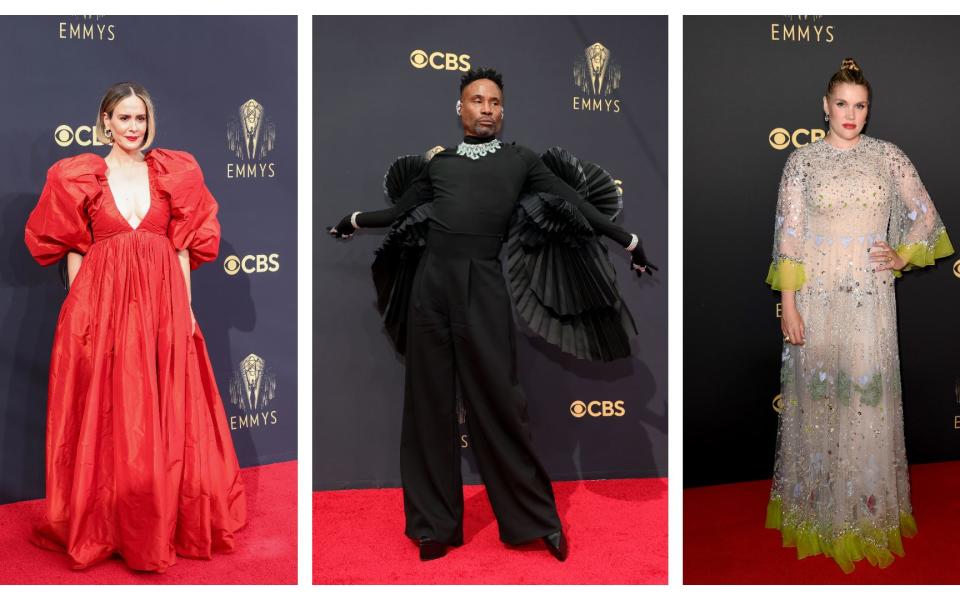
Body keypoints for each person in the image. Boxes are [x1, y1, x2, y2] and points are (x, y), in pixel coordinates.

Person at [330, 68, 655, 561]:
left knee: (502, 402)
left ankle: (533, 520)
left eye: (495, 102)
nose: (487, 108)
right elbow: (398, 213)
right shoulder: (438, 164)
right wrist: (353, 221)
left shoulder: (521, 160)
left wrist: (626, 239)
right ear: (459, 109)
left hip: (482, 285)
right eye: (477, 100)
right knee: (428, 402)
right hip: (429, 288)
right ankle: (433, 526)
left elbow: (571, 202)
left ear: (503, 112)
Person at [24, 82, 246, 572]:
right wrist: (77, 308)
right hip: (100, 307)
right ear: (105, 120)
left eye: (139, 119)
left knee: (164, 410)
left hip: (162, 304)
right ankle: (108, 522)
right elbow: (74, 248)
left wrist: (185, 311)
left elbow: (185, 246)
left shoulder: (174, 171)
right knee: (109, 413)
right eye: (123, 118)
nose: (132, 128)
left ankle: (162, 519)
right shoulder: (78, 174)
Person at [764, 58, 953, 574]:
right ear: (825, 107)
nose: (851, 114)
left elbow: (925, 217)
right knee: (820, 401)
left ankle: (865, 511)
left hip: (870, 299)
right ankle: (820, 509)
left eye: (860, 105)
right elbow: (790, 237)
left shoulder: (888, 157)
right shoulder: (801, 162)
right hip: (819, 299)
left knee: (866, 402)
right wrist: (790, 303)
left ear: (869, 111)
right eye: (842, 104)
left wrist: (902, 255)